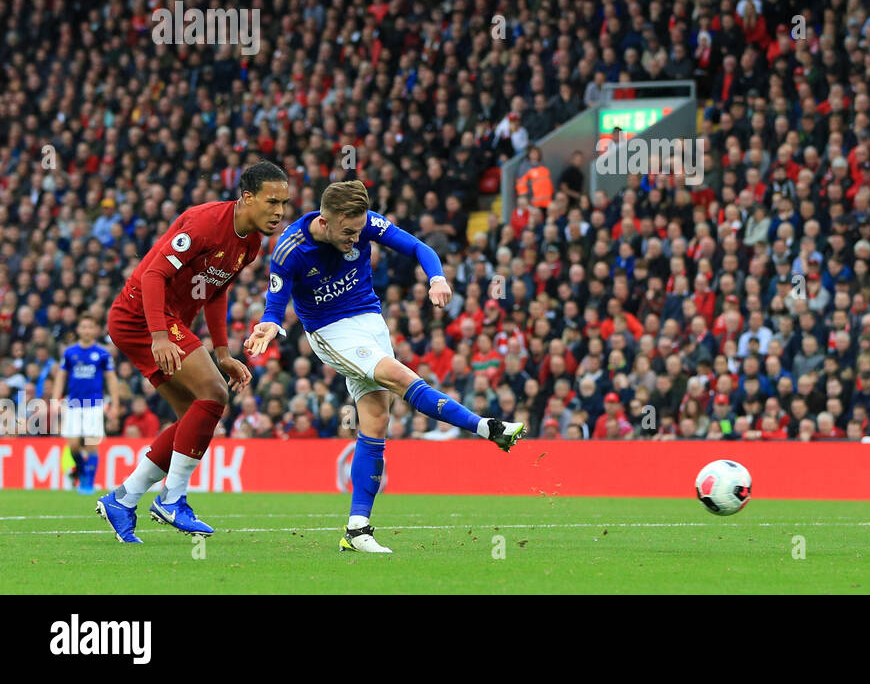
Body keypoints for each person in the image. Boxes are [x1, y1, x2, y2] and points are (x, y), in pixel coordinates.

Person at [243, 179, 525, 554]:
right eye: (348, 232)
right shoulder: (289, 248)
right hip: (331, 332)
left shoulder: (364, 224)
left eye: (359, 231)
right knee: (399, 376)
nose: (356, 239)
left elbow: (418, 246)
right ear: (325, 222)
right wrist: (270, 323)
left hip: (371, 321)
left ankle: (357, 529)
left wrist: (436, 277)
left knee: (376, 420)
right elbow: (276, 303)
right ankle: (486, 427)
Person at [96, 160, 289, 544]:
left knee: (193, 418)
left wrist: (222, 351)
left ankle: (124, 498)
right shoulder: (205, 225)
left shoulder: (250, 242)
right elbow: (153, 274)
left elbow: (215, 291)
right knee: (215, 394)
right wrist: (159, 336)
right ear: (247, 198)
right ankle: (172, 499)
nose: (280, 211)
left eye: (284, 203)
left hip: (165, 321)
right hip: (141, 315)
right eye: (272, 202)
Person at [51, 316, 120, 494]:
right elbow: (61, 376)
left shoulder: (103, 353)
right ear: (78, 329)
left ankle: (88, 482)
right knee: (73, 445)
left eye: (90, 327)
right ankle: (81, 471)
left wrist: (115, 403)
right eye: (84, 326)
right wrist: (55, 398)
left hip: (94, 404)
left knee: (91, 444)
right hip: (73, 404)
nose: (87, 330)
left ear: (95, 330)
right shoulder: (69, 352)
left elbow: (111, 378)